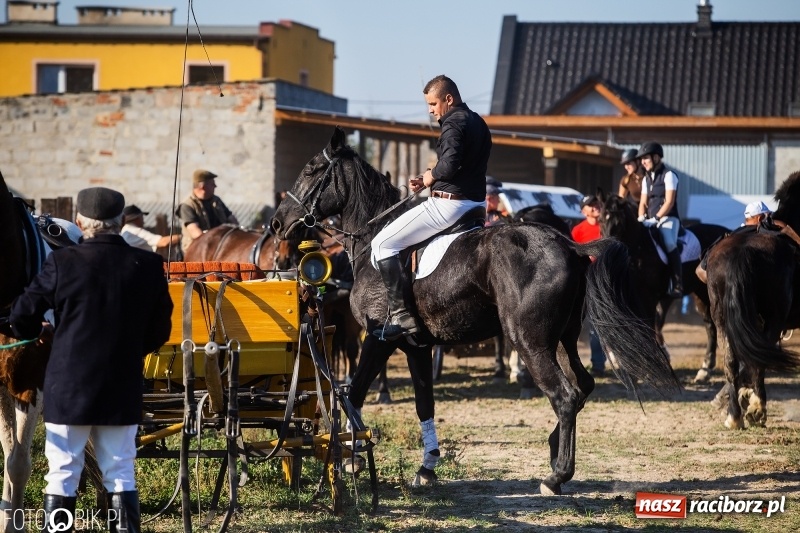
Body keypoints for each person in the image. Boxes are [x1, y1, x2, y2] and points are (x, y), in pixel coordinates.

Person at [8, 187, 173, 533]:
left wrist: (41, 331)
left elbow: (22, 316)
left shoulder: (62, 262)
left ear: (80, 222)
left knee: (62, 474)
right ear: (121, 222)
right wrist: (128, 351)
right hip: (121, 387)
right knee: (121, 474)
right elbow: (160, 331)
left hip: (68, 389)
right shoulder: (148, 265)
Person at [370, 75, 491, 342]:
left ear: (449, 99)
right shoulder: (478, 121)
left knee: (381, 245)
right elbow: (461, 167)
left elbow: (449, 164)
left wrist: (431, 176)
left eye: (433, 104)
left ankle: (402, 318)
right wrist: (430, 177)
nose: (430, 110)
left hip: (449, 206)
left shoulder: (452, 122)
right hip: (476, 205)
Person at [637, 141, 683, 298]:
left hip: (669, 219)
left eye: (645, 158)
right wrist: (641, 217)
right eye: (641, 159)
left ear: (656, 157)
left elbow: (669, 201)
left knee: (668, 242)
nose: (643, 162)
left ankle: (677, 283)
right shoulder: (646, 179)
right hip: (650, 219)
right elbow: (643, 203)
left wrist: (656, 218)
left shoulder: (669, 175)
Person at [571, 195, 607, 376]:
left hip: (609, 282)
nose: (595, 207)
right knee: (591, 326)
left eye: (596, 203)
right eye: (590, 205)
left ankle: (603, 365)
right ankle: (594, 365)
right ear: (583, 211)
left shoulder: (608, 226)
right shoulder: (577, 231)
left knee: (605, 326)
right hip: (587, 282)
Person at [695, 201, 773, 283]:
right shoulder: (766, 235)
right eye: (768, 216)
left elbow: (700, 271)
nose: (770, 219)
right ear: (760, 218)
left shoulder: (728, 236)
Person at [176, 169, 239, 253]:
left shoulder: (216, 201)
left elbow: (232, 219)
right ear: (202, 186)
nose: (215, 186)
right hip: (197, 250)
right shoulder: (187, 205)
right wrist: (212, 243)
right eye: (212, 184)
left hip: (220, 246)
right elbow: (195, 232)